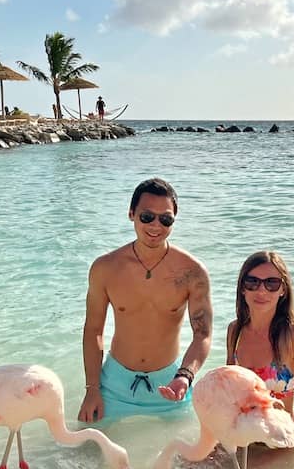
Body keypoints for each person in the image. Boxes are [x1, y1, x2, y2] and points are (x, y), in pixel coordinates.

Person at [78, 178, 212, 422]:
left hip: (172, 385)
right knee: (88, 456)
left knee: (186, 458)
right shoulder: (105, 268)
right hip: (113, 386)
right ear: (131, 214)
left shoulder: (192, 272)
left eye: (166, 219)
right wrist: (92, 389)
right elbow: (93, 330)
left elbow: (202, 334)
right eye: (147, 216)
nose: (156, 225)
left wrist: (185, 375)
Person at [226, 251, 294, 438]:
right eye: (252, 282)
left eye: (272, 283)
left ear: (283, 290)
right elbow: (229, 396)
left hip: (283, 440)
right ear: (242, 288)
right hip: (242, 439)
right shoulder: (235, 331)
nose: (261, 291)